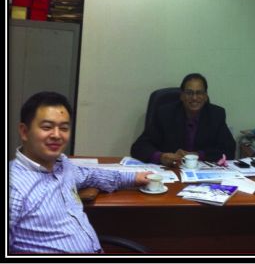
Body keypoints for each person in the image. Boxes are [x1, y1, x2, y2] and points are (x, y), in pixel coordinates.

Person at [9, 92, 154, 253]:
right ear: (24, 132)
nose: (57, 135)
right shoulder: (14, 186)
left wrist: (134, 178)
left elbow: (91, 175)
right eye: (47, 127)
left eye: (64, 128)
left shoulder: (62, 165)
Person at [131, 73, 236, 167]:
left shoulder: (216, 114)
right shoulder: (165, 114)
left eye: (199, 93)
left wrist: (197, 154)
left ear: (205, 96)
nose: (194, 98)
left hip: (201, 172)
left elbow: (229, 149)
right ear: (182, 95)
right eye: (189, 93)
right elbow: (139, 146)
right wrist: (161, 157)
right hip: (171, 171)